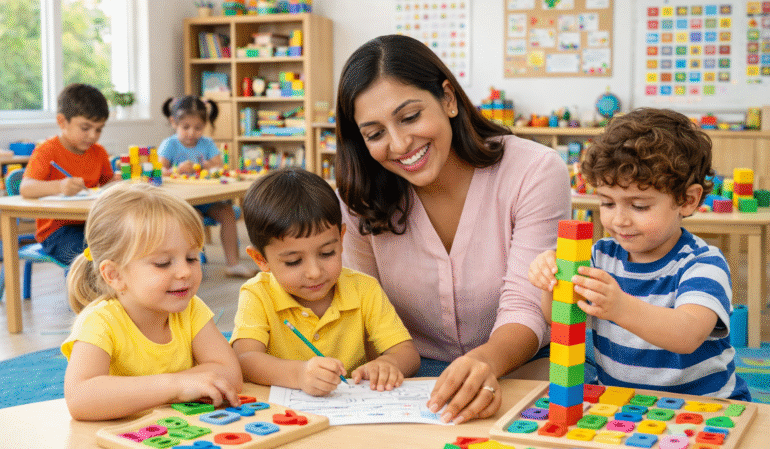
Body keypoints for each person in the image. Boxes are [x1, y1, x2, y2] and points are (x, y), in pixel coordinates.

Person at [335, 34, 571, 424]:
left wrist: (486, 362)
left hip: (524, 363)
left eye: (410, 117)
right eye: (375, 134)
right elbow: (363, 308)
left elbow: (526, 304)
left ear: (448, 98)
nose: (399, 144)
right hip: (409, 377)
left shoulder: (534, 171)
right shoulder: (357, 197)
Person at [528, 107, 750, 401]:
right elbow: (558, 318)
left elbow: (688, 335)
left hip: (706, 406)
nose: (619, 220)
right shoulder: (600, 257)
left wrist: (620, 306)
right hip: (624, 405)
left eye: (639, 206)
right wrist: (551, 282)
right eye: (608, 203)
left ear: (687, 200)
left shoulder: (703, 263)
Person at [231, 167, 420, 396]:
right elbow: (244, 359)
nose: (314, 272)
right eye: (293, 261)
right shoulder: (257, 294)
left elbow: (407, 353)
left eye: (327, 253)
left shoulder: (364, 289)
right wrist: (299, 374)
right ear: (261, 259)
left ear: (341, 239)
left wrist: (389, 364)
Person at [61, 183, 243, 421]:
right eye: (162, 263)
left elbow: (231, 373)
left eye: (192, 258)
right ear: (114, 275)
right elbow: (80, 398)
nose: (185, 272)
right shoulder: (99, 321)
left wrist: (176, 387)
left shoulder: (191, 309)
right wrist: (175, 386)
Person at [19, 83, 120, 265]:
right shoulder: (47, 151)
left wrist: (117, 182)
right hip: (57, 232)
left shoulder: (99, 153)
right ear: (62, 122)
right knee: (88, 258)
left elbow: (106, 185)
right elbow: (26, 188)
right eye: (85, 128)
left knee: (124, 245)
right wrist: (60, 186)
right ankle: (83, 285)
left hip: (92, 224)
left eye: (98, 129)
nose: (93, 135)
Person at [158, 95, 255, 278]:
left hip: (207, 199)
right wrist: (175, 169)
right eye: (185, 127)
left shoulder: (207, 143)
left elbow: (218, 164)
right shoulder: (170, 144)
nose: (191, 133)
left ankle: (233, 264)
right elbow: (159, 170)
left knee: (228, 213)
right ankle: (193, 263)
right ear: (173, 123)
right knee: (195, 217)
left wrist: (205, 165)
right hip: (182, 202)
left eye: (198, 128)